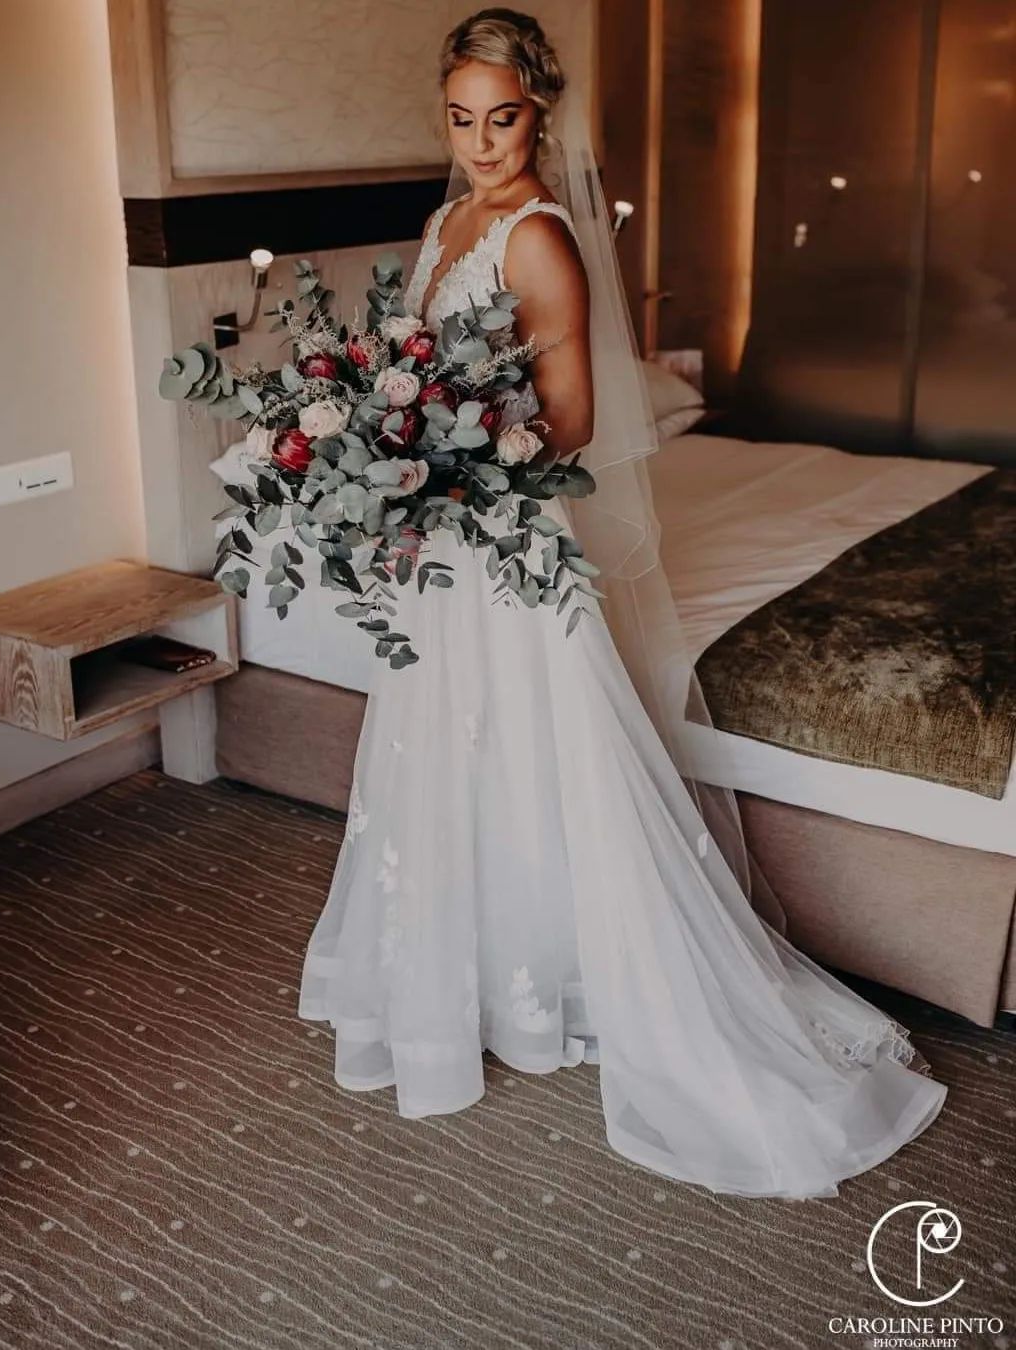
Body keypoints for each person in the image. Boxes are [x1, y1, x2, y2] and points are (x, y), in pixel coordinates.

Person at [297, 7, 947, 1200]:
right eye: (460, 118)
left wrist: (447, 466)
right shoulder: (443, 223)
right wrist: (394, 459)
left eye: (502, 119)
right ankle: (486, 973)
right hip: (444, 538)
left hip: (502, 526)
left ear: (539, 115)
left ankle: (589, 981)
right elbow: (415, 367)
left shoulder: (540, 235)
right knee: (453, 745)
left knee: (542, 744)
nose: (481, 142)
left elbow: (574, 419)